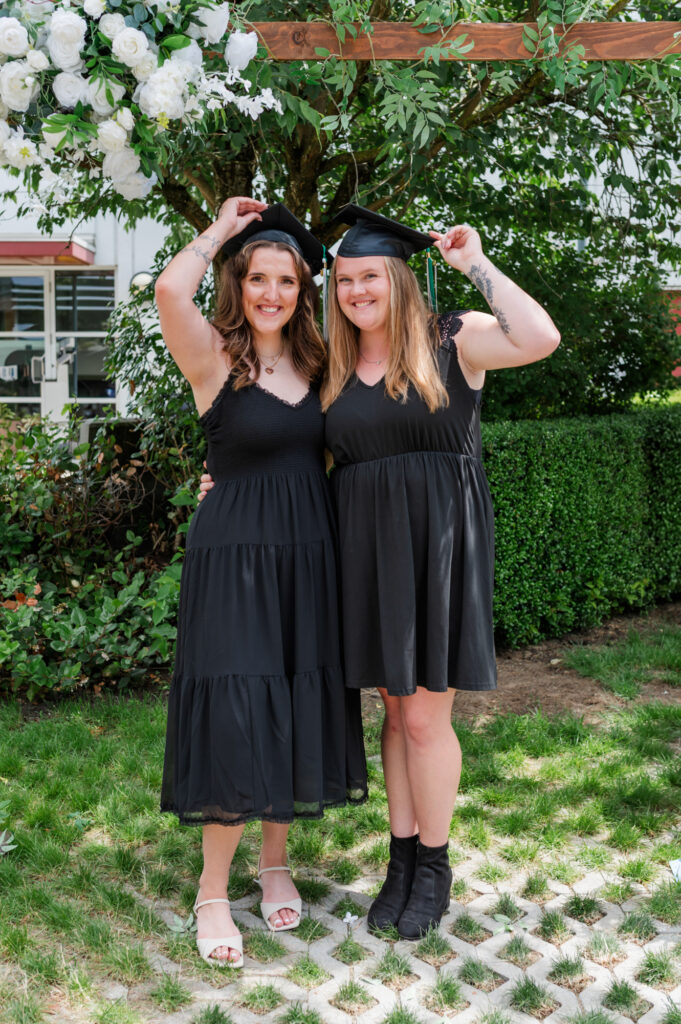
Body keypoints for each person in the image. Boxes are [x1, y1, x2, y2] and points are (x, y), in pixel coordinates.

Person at [199, 204, 560, 940]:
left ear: (398, 279)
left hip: (437, 542)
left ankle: (433, 864)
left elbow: (540, 337)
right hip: (360, 544)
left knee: (426, 716)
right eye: (343, 280)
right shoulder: (331, 362)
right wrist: (221, 479)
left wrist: (475, 263)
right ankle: (400, 860)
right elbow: (275, 434)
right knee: (394, 710)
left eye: (369, 277)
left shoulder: (452, 339)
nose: (356, 290)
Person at [156, 198, 367, 968]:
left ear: (300, 290)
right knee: (239, 711)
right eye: (258, 278)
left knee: (292, 697)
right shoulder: (212, 357)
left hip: (308, 555)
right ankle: (214, 890)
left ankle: (274, 861)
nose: (272, 293)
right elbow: (168, 293)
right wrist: (219, 230)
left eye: (286, 280)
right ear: (239, 283)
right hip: (235, 558)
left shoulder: (319, 363)